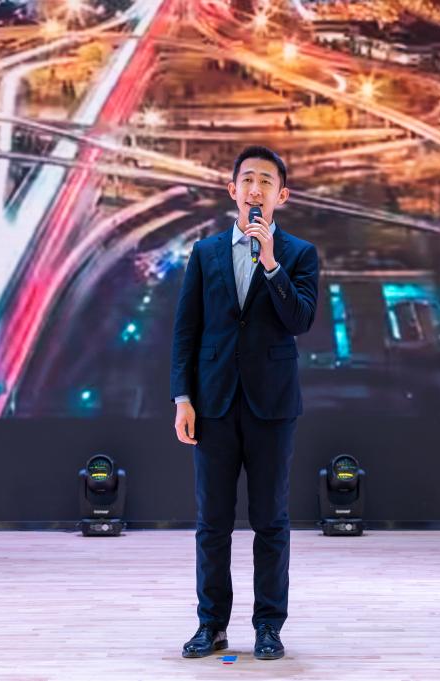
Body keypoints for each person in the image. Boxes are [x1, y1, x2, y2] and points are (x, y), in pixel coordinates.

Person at [170, 145, 319, 661]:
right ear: (232, 190)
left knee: (270, 522)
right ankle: (210, 625)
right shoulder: (205, 252)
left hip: (271, 406)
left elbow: (300, 320)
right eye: (247, 180)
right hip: (212, 404)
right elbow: (186, 330)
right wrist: (183, 397)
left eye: (266, 182)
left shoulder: (299, 254)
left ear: (282, 195)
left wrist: (272, 264)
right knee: (212, 523)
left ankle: (268, 627)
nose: (256, 189)